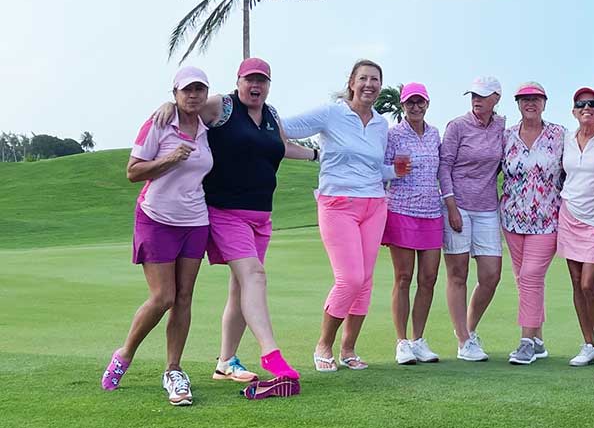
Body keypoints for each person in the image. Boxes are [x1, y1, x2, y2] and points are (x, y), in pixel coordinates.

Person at [153, 57, 306, 395]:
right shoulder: (221, 106)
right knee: (254, 275)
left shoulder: (271, 116)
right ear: (238, 81)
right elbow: (186, 108)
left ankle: (226, 362)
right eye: (250, 79)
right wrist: (168, 103)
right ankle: (271, 355)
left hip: (261, 217)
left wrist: (317, 156)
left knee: (241, 288)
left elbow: (282, 146)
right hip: (225, 212)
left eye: (262, 81)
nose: (256, 86)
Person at [282, 59, 409, 372]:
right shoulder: (332, 113)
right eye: (363, 78)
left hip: (374, 205)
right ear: (352, 82)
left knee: (364, 281)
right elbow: (283, 127)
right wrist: (313, 154)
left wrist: (394, 171)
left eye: (375, 80)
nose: (369, 84)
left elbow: (371, 167)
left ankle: (349, 349)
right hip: (337, 204)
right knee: (349, 278)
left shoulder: (380, 124)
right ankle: (323, 344)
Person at [101, 67, 215, 406]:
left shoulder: (209, 128)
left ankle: (174, 371)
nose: (193, 95)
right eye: (187, 90)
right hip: (156, 218)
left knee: (184, 298)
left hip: (195, 221)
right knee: (164, 296)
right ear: (175, 93)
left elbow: (234, 99)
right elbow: (133, 171)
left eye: (200, 90)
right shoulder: (160, 123)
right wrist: (168, 159)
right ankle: (124, 354)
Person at [439, 76, 506, 362]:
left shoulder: (503, 128)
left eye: (482, 95)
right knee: (458, 274)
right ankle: (463, 339)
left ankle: (469, 329)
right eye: (473, 95)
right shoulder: (457, 126)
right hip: (458, 206)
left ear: (496, 98)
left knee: (491, 275)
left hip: (488, 207)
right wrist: (451, 206)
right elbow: (444, 167)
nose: (476, 100)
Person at [500, 82, 565, 365]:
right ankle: (538, 340)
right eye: (525, 99)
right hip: (512, 219)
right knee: (524, 281)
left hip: (547, 219)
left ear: (545, 102)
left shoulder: (559, 135)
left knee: (530, 277)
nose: (530, 103)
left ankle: (526, 342)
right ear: (517, 104)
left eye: (536, 98)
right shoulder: (507, 136)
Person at [382, 82, 443, 365]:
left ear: (427, 104)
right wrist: (394, 171)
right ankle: (402, 342)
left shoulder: (434, 134)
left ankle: (419, 340)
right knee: (403, 277)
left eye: (420, 102)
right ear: (402, 106)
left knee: (428, 278)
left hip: (432, 211)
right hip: (401, 210)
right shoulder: (393, 135)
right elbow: (381, 170)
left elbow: (441, 171)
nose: (415, 107)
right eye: (410, 103)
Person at [558, 87, 594, 368]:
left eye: (592, 104)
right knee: (576, 284)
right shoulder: (567, 139)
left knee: (589, 284)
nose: (586, 108)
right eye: (581, 104)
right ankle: (588, 344)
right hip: (569, 213)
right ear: (574, 111)